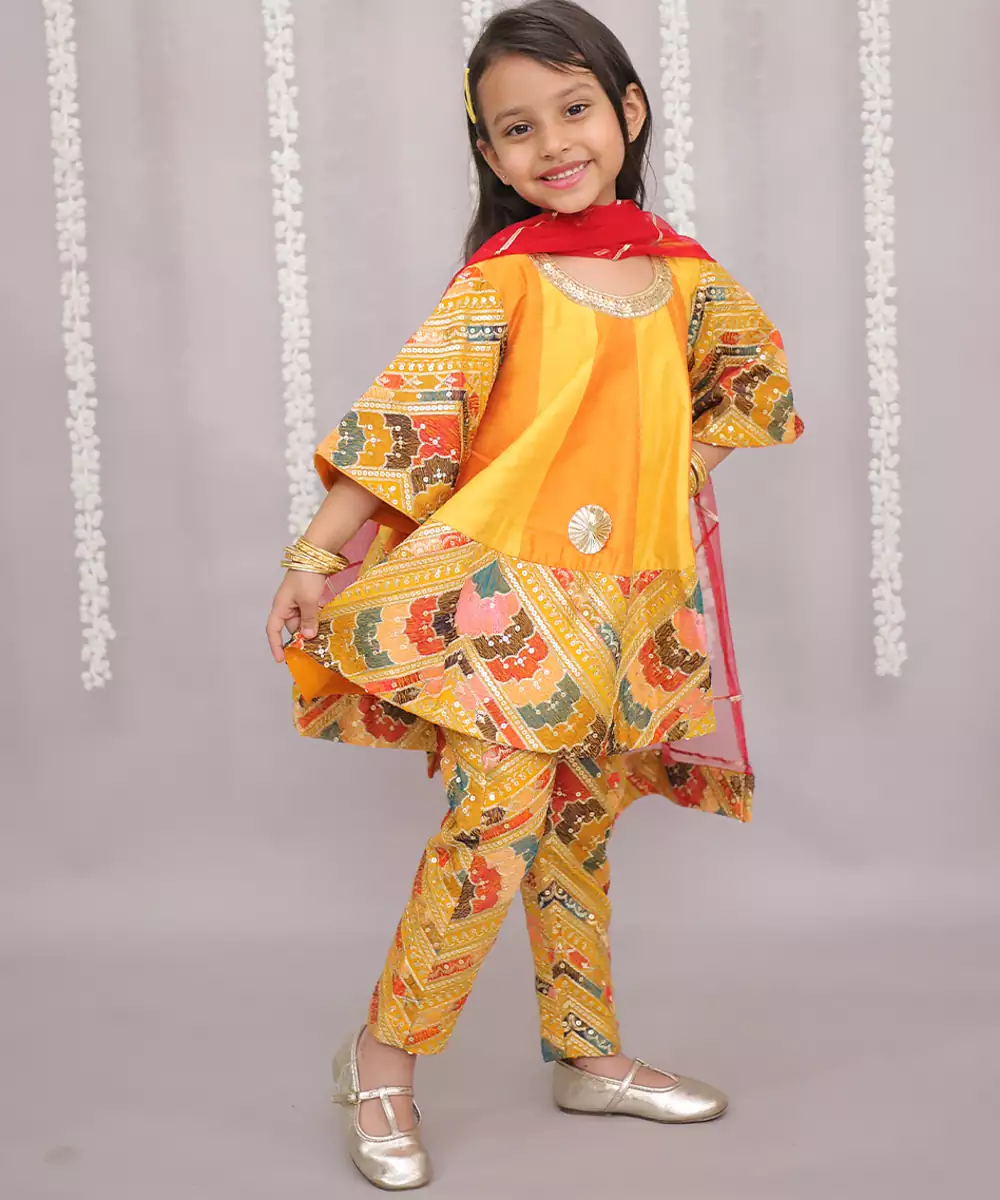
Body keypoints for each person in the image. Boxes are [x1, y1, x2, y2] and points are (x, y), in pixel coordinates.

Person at [265, 0, 803, 1189]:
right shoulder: (503, 283)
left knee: (577, 829)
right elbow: (404, 427)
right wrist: (313, 554)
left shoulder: (680, 276)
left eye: (574, 110)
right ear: (489, 152)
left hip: (632, 604)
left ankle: (585, 1053)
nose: (552, 143)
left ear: (627, 112)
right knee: (491, 830)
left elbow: (753, 382)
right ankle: (382, 1058)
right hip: (506, 602)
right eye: (517, 128)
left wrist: (678, 467)